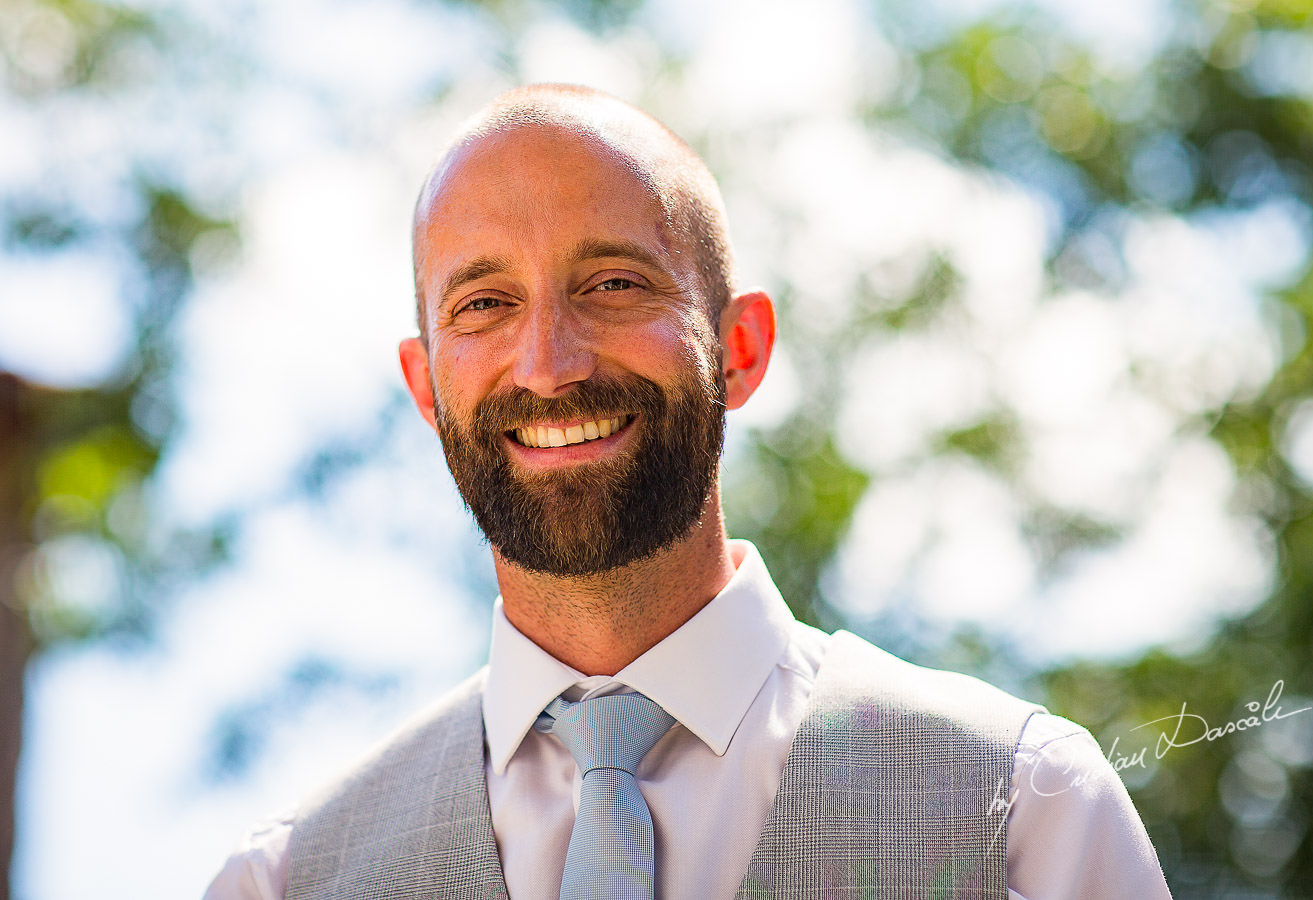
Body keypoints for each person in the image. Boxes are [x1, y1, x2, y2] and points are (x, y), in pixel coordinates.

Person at [205, 84, 1172, 900]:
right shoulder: (284, 879)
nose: (547, 366)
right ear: (426, 387)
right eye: (485, 305)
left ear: (740, 350)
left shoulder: (1024, 810)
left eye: (615, 284)